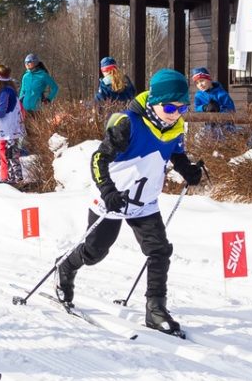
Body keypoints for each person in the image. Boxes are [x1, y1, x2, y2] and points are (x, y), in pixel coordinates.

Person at [55, 68, 202, 336]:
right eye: (170, 107)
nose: (176, 114)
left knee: (159, 251)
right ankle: (65, 266)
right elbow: (99, 159)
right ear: (154, 102)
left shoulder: (175, 128)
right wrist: (108, 190)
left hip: (144, 202)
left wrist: (187, 169)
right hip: (113, 199)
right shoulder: (128, 123)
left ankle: (156, 309)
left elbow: (176, 154)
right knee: (95, 251)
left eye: (183, 108)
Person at [20, 53, 60, 118]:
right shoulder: (25, 76)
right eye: (25, 62)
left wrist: (48, 99)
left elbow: (55, 87)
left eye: (29, 62)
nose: (27, 64)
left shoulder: (43, 75)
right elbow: (23, 90)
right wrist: (19, 103)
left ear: (35, 62)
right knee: (24, 127)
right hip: (25, 108)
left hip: (36, 109)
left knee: (34, 128)